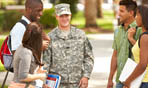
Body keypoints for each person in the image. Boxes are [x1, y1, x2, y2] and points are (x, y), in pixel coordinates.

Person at [43, 3, 94, 88]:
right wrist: (44, 82)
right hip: (57, 84)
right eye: (61, 16)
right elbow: (45, 63)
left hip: (78, 83)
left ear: (70, 15)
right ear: (56, 17)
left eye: (66, 15)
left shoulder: (80, 35)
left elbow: (89, 57)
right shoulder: (50, 37)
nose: (64, 18)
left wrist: (86, 76)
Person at [107, 0, 142, 88]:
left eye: (122, 11)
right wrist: (110, 79)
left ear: (131, 13)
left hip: (135, 81)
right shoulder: (117, 31)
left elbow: (144, 55)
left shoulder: (141, 30)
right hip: (120, 80)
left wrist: (131, 39)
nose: (118, 14)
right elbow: (115, 55)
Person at [10, 22, 47, 88]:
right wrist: (40, 76)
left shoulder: (23, 47)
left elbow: (23, 71)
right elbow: (23, 76)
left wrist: (37, 73)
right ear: (37, 39)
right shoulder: (26, 52)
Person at [123, 5, 148, 88]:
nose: (135, 17)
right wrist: (131, 38)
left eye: (137, 15)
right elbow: (143, 50)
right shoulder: (145, 37)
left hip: (144, 81)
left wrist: (129, 80)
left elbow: (142, 65)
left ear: (144, 17)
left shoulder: (145, 37)